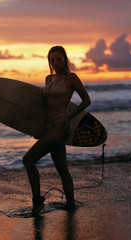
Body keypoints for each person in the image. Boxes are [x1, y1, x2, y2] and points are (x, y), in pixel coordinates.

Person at [22, 46, 91, 216]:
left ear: (65, 59)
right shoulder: (49, 79)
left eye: (59, 59)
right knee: (62, 169)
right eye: (52, 59)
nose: (55, 62)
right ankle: (70, 204)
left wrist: (69, 116)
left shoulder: (71, 78)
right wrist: (39, 129)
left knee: (28, 160)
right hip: (49, 127)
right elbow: (45, 107)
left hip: (61, 126)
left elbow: (86, 100)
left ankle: (37, 203)